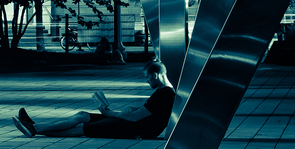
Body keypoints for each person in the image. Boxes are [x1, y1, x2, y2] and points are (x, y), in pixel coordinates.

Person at [12, 60, 174, 139]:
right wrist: (126, 110)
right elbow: (144, 112)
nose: (147, 81)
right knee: (82, 114)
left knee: (81, 128)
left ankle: (34, 128)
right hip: (130, 123)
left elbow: (135, 117)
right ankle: (34, 127)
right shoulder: (163, 92)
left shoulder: (165, 94)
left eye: (147, 78)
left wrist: (111, 113)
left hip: (133, 129)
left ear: (155, 75)